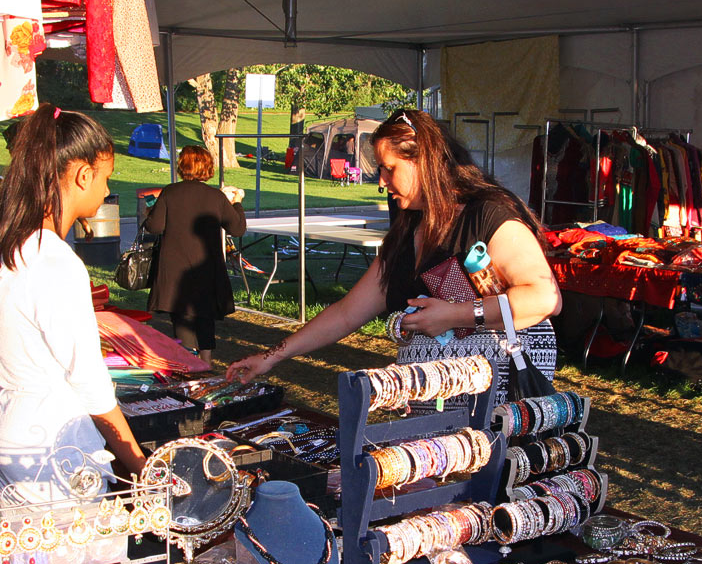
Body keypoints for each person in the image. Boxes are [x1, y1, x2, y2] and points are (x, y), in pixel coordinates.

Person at [226, 108, 562, 398]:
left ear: (425, 163)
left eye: (389, 169)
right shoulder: (407, 232)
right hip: (439, 396)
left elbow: (545, 299)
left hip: (498, 392)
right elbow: (346, 313)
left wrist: (455, 314)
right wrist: (271, 357)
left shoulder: (487, 217)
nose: (382, 181)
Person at [0, 104, 146, 504]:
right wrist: (139, 463)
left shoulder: (7, 245)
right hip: (50, 445)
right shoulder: (54, 261)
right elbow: (89, 381)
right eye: (105, 178)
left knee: (32, 562)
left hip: (6, 430)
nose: (105, 190)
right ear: (83, 174)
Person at [142, 145, 246, 366]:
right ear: (207, 167)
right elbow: (237, 229)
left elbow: (154, 226)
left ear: (182, 166)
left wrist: (148, 212)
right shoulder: (215, 197)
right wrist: (237, 203)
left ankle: (188, 359)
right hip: (206, 265)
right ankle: (206, 362)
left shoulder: (170, 192)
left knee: (181, 314)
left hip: (175, 265)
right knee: (205, 315)